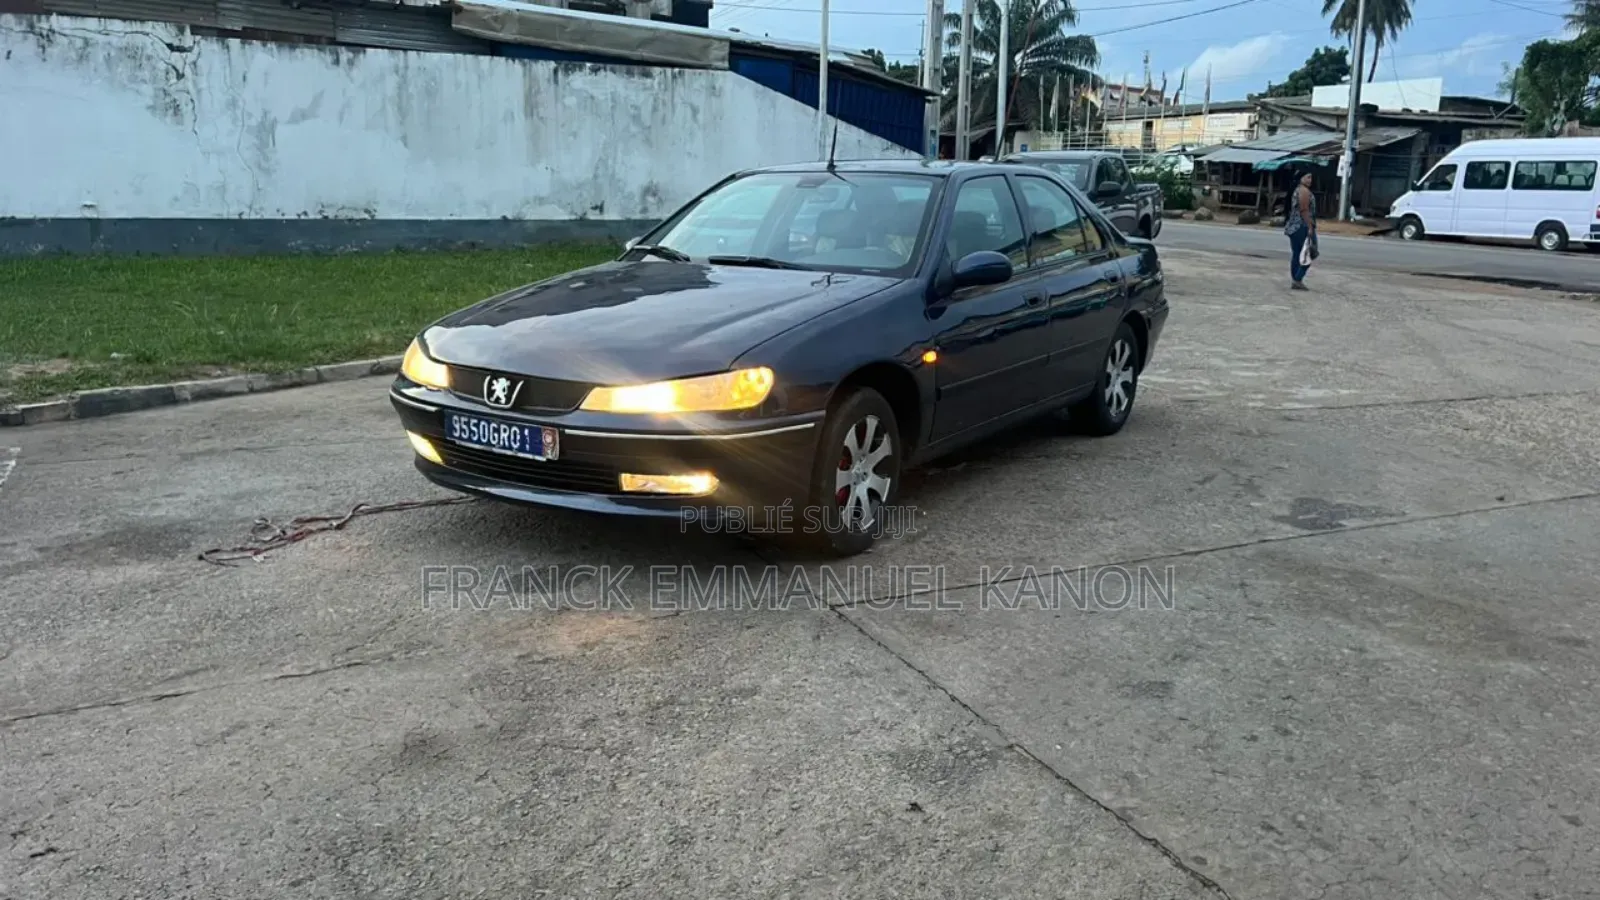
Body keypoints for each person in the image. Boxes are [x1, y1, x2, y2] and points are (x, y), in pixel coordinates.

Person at [1283, 170, 1317, 290]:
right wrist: (1310, 226)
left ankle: (1295, 280)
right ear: (1301, 178)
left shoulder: (1297, 190)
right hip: (1302, 226)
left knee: (1297, 254)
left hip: (1294, 226)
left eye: (1311, 177)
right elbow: (1304, 210)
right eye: (1308, 177)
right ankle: (1297, 279)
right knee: (1309, 252)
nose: (1310, 180)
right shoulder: (1303, 191)